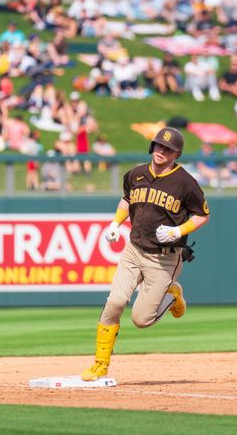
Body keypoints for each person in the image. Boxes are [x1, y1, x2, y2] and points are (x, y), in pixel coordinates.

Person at [80, 127, 210, 381]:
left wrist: (178, 231)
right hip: (133, 250)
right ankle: (100, 365)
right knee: (115, 302)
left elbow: (203, 214)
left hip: (164, 258)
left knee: (141, 319)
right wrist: (115, 223)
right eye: (158, 145)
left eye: (168, 148)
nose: (161, 150)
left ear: (177, 154)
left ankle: (172, 295)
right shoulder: (135, 174)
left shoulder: (185, 182)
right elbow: (127, 200)